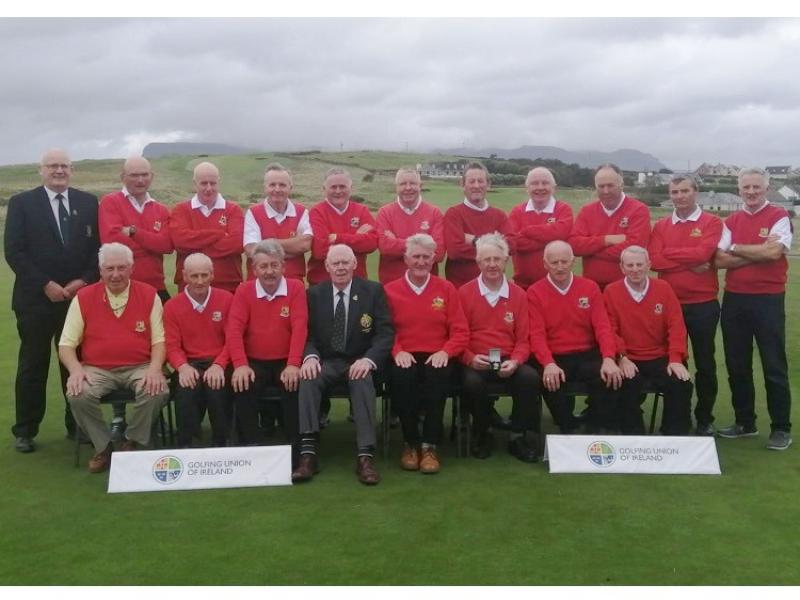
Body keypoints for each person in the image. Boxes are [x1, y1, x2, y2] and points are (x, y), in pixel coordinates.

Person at [4, 148, 100, 453]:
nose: (59, 171)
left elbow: (96, 250)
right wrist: (46, 284)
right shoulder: (22, 203)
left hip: (76, 300)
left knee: (74, 364)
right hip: (35, 300)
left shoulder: (87, 202)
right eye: (53, 166)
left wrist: (82, 282)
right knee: (33, 364)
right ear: (41, 170)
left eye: (64, 166)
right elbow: (14, 251)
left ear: (72, 170)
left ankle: (78, 425)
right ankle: (25, 430)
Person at [58, 243, 169, 473]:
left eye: (121, 268)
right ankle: (104, 447)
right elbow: (66, 345)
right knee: (77, 394)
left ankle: (132, 441)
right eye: (109, 268)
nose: (115, 274)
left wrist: (155, 368)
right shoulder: (83, 297)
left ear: (131, 268)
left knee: (157, 389)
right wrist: (76, 370)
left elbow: (159, 340)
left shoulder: (149, 294)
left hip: (140, 365)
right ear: (100, 270)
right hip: (96, 368)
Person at [294, 244, 394, 485]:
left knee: (361, 380)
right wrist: (310, 357)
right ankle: (308, 455)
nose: (340, 267)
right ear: (327, 267)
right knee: (308, 377)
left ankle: (365, 457)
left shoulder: (373, 291)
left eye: (345, 262)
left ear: (354, 265)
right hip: (326, 361)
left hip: (358, 360)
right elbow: (305, 334)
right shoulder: (314, 294)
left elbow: (385, 333)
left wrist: (369, 360)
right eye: (335, 263)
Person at [714, 167, 793, 450]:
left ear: (766, 188)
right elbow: (720, 260)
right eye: (746, 187)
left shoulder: (779, 216)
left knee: (773, 365)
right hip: (735, 299)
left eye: (756, 187)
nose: (751, 192)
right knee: (737, 365)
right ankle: (745, 422)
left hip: (768, 300)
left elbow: (774, 252)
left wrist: (738, 248)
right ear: (739, 189)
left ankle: (781, 428)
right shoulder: (732, 220)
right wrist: (754, 251)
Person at [384, 234, 468, 473]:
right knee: (402, 377)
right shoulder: (390, 290)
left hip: (437, 355)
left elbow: (460, 331)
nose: (420, 262)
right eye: (415, 256)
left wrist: (446, 351)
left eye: (425, 257)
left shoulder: (446, 288)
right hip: (405, 355)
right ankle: (410, 444)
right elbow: (385, 330)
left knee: (437, 377)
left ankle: (430, 446)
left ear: (433, 259)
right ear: (406, 259)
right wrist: (397, 351)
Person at [648, 175, 723, 435]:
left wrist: (672, 253)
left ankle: (704, 418)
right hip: (669, 305)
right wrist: (689, 261)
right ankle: (678, 418)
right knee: (672, 361)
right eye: (675, 192)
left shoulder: (712, 222)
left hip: (703, 304)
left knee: (705, 364)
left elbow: (704, 254)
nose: (679, 196)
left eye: (684, 191)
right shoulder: (660, 226)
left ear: (696, 192)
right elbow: (654, 261)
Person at [458, 233, 540, 462]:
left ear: (506, 261)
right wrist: (469, 358)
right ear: (478, 262)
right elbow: (457, 335)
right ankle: (483, 432)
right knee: (472, 383)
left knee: (529, 378)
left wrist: (515, 360)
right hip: (476, 359)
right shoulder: (464, 293)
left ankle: (518, 435)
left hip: (507, 357)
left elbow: (524, 339)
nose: (492, 264)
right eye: (487, 260)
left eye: (497, 259)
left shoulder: (519, 294)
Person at [528, 240, 623, 433]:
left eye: (564, 261)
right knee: (550, 381)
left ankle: (594, 427)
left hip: (586, 354)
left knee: (610, 376)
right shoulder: (534, 292)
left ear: (573, 262)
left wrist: (609, 359)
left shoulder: (590, 287)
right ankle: (567, 429)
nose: (560, 267)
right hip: (554, 356)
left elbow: (603, 327)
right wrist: (548, 363)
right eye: (554, 263)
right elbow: (536, 335)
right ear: (545, 264)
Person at [226, 240, 308, 459]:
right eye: (263, 266)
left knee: (294, 385)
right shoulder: (244, 290)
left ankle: (297, 453)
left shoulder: (296, 288)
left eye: (274, 265)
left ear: (283, 266)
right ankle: (251, 451)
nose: (269, 271)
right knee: (243, 384)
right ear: (254, 269)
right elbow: (234, 330)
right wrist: (241, 365)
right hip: (255, 361)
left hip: (285, 360)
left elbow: (300, 328)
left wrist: (293, 364)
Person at [604, 246, 692, 435]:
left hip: (660, 356)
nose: (635, 269)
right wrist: (621, 357)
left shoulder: (664, 288)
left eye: (639, 264)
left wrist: (676, 359)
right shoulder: (611, 291)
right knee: (626, 382)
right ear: (622, 267)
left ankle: (674, 436)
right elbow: (610, 330)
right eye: (630, 265)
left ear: (649, 265)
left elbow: (676, 326)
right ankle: (634, 436)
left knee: (681, 382)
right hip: (630, 357)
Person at [164, 253, 233, 448]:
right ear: (184, 276)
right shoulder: (172, 306)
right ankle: (188, 444)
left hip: (219, 361)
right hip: (189, 363)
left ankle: (222, 442)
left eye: (204, 275)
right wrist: (182, 367)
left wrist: (219, 364)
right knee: (187, 389)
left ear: (213, 274)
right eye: (194, 276)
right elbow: (172, 345)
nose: (200, 281)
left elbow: (232, 340)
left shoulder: (227, 299)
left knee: (216, 387)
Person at [99, 156, 173, 303]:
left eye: (145, 174)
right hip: (120, 288)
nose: (140, 180)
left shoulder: (161, 210)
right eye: (134, 175)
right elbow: (113, 244)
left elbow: (166, 245)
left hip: (156, 287)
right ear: (123, 177)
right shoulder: (110, 202)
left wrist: (134, 233)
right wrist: (152, 244)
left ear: (152, 176)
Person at [569, 163, 651, 289]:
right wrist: (606, 240)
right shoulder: (587, 211)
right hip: (593, 287)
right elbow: (574, 245)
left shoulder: (638, 210)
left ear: (621, 185)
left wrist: (591, 251)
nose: (606, 191)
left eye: (610, 185)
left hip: (626, 288)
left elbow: (634, 250)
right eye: (601, 186)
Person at [169, 161, 244, 294]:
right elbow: (180, 241)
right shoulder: (181, 210)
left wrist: (195, 247)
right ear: (194, 184)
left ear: (218, 182)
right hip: (189, 286)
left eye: (213, 183)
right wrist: (219, 234)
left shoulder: (233, 210)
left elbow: (237, 244)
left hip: (228, 284)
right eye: (204, 183)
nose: (208, 188)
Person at [443, 162, 514, 288]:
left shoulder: (499, 215)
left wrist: (475, 240)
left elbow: (512, 246)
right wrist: (496, 247)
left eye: (480, 181)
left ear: (488, 184)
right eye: (472, 181)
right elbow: (455, 251)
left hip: (494, 288)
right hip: (461, 289)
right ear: (462, 185)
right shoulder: (453, 214)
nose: (476, 186)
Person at [307, 168, 377, 285]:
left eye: (342, 186)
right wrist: (357, 237)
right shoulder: (316, 212)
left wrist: (338, 238)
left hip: (357, 283)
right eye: (333, 187)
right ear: (324, 189)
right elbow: (320, 251)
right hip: (323, 284)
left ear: (351, 188)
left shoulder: (362, 211)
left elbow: (372, 243)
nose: (338, 191)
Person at [243, 163, 312, 283]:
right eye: (272, 185)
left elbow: (305, 244)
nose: (277, 189)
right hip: (260, 284)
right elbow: (251, 250)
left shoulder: (302, 212)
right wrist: (291, 249)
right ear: (265, 187)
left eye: (282, 185)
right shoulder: (253, 213)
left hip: (293, 283)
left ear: (291, 187)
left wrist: (268, 243)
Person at [507, 167, 574, 289]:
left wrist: (526, 231)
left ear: (553, 187)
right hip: (523, 286)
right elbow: (513, 242)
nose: (540, 187)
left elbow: (561, 233)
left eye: (545, 183)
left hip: (557, 285)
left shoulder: (563, 209)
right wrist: (550, 240)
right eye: (534, 183)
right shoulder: (516, 212)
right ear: (527, 188)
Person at [376, 168, 444, 284]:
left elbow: (439, 253)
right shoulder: (384, 212)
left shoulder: (434, 213)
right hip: (391, 285)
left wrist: (397, 242)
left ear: (420, 186)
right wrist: (425, 245)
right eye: (403, 184)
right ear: (396, 187)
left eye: (412, 183)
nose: (408, 188)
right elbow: (385, 247)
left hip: (426, 286)